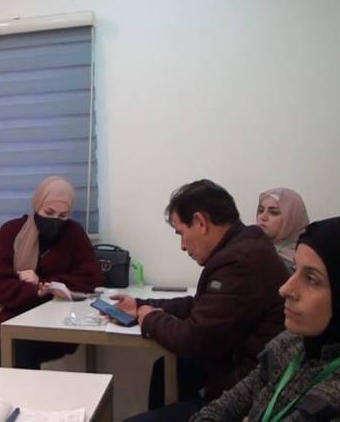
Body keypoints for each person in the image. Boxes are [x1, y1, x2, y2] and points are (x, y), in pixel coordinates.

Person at [117, 179, 290, 421]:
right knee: (164, 369)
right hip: (231, 368)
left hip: (242, 397)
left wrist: (150, 319)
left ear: (200, 222)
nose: (182, 245)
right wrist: (140, 305)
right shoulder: (242, 248)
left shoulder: (240, 262)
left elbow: (193, 339)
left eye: (181, 233)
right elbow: (202, 305)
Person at [191, 216, 340, 421]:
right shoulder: (292, 343)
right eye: (295, 269)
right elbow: (223, 407)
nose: (285, 289)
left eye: (311, 279)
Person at [0, 175, 103, 369]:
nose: (55, 220)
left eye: (63, 216)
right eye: (49, 212)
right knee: (13, 343)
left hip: (58, 316)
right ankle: (13, 390)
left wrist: (44, 283)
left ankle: (24, 390)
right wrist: (36, 291)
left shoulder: (74, 233)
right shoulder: (12, 232)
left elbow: (90, 278)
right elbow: (0, 284)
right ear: (37, 205)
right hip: (13, 312)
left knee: (24, 345)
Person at [256, 187, 309, 271]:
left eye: (273, 212)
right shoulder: (249, 248)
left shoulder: (306, 261)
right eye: (261, 210)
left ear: (292, 219)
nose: (263, 217)